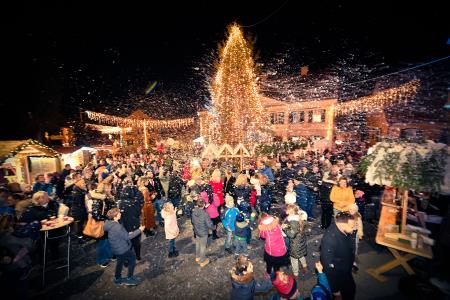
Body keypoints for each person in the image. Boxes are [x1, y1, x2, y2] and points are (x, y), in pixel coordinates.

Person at [320, 212, 356, 300]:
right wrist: (335, 290)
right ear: (342, 225)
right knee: (349, 293)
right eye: (352, 227)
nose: (354, 228)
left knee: (352, 290)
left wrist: (351, 260)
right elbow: (328, 267)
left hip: (345, 268)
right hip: (338, 274)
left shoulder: (344, 230)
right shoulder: (329, 240)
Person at [104, 208, 144, 286]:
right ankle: (129, 278)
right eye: (119, 213)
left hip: (115, 248)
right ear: (115, 217)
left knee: (120, 262)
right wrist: (139, 230)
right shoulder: (117, 226)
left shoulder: (109, 223)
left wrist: (127, 233)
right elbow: (128, 237)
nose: (120, 214)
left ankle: (117, 278)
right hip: (122, 249)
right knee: (132, 259)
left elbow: (120, 235)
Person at [86, 184, 115, 268]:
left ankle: (110, 255)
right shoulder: (97, 200)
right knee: (102, 243)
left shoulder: (106, 197)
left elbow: (112, 206)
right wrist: (106, 218)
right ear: (102, 189)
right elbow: (95, 215)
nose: (109, 188)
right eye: (107, 187)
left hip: (107, 223)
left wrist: (110, 196)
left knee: (109, 240)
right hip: (101, 225)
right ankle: (101, 260)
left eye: (109, 187)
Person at [118, 177, 144, 261]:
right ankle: (138, 256)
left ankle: (126, 259)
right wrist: (135, 189)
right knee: (136, 242)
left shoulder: (120, 203)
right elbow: (138, 212)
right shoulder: (135, 202)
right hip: (134, 224)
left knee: (126, 242)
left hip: (124, 225)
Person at [282, 204, 308, 278]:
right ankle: (305, 266)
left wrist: (285, 228)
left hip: (295, 244)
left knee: (294, 259)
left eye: (287, 209)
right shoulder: (299, 218)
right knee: (301, 255)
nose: (285, 210)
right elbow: (296, 230)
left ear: (290, 212)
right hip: (301, 242)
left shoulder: (292, 221)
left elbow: (291, 234)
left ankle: (295, 274)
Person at [191, 199, 214, 267]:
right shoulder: (205, 214)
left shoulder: (194, 211)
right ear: (204, 205)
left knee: (198, 244)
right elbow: (209, 224)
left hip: (197, 231)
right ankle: (202, 260)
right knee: (203, 246)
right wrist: (213, 227)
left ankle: (197, 257)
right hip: (203, 232)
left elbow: (192, 221)